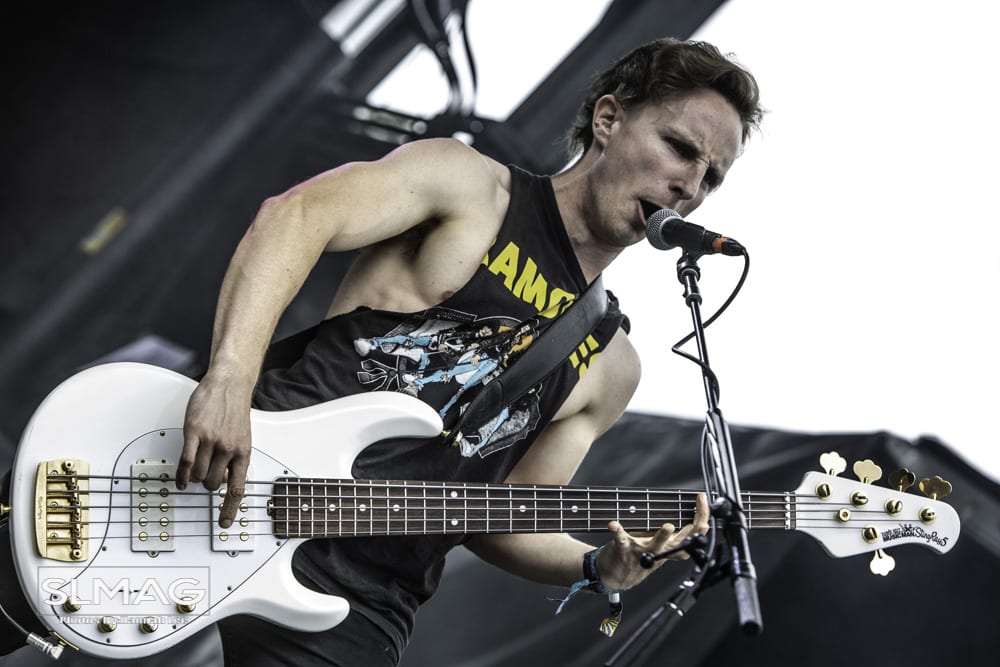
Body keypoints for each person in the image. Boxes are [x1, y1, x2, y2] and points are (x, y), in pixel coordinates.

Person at [1, 37, 762, 666]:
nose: (689, 185)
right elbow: (294, 219)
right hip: (233, 475)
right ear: (608, 118)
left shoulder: (611, 363)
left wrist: (598, 566)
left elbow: (504, 517)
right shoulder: (470, 189)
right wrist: (228, 379)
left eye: (711, 177)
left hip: (366, 596)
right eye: (679, 147)